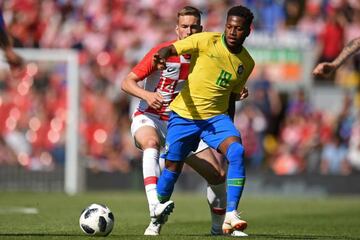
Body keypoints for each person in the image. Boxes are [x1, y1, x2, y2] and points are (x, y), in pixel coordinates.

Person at [121, 6, 248, 236]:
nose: (189, 31)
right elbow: (127, 82)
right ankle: (154, 211)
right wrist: (148, 95)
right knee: (151, 144)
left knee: (217, 175)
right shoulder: (162, 51)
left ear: (201, 29)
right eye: (185, 27)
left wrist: (236, 91)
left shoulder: (207, 53)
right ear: (177, 29)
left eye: (194, 27)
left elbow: (224, 81)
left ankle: (219, 228)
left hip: (185, 121)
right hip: (150, 117)